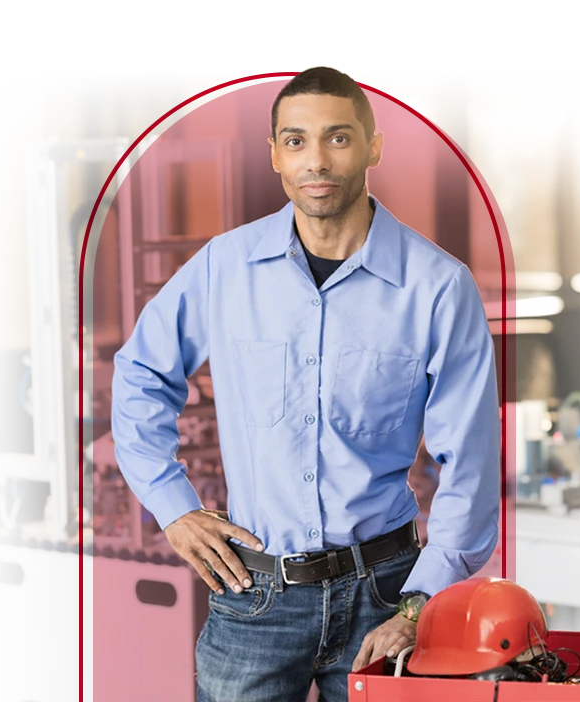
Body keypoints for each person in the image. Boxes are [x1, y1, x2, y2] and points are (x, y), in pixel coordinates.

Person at [111, 66, 500, 702]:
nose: (316, 161)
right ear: (274, 155)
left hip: (388, 596)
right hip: (255, 594)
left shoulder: (437, 287)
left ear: (374, 147)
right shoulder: (224, 268)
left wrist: (418, 606)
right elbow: (141, 373)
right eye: (295, 141)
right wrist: (173, 506)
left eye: (337, 138)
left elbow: (472, 464)